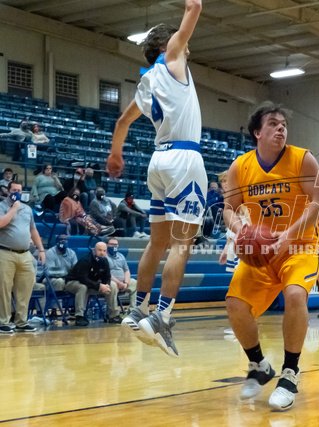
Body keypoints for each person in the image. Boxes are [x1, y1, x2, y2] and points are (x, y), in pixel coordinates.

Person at [108, 0, 206, 358]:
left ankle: (138, 308)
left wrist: (115, 154)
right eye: (181, 40)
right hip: (184, 159)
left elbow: (122, 122)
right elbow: (194, 6)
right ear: (168, 45)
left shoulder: (146, 82)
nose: (187, 45)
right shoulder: (174, 58)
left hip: (158, 160)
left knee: (158, 242)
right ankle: (162, 316)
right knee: (182, 244)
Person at [223, 102, 319, 411]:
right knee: (235, 304)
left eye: (284, 124)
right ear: (257, 132)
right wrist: (241, 231)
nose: (281, 128)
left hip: (301, 245)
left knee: (295, 294)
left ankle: (290, 373)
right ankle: (258, 365)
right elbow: (229, 209)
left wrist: (289, 235)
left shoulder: (303, 159)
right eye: (273, 123)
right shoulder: (240, 166)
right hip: (263, 250)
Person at [0, 181, 45, 334]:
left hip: (25, 253)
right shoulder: (1, 206)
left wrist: (41, 249)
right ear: (8, 191)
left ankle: (21, 321)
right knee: (4, 289)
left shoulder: (27, 209)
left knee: (25, 288)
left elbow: (33, 230)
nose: (17, 193)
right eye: (14, 190)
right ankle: (3, 322)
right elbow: (1, 223)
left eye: (19, 190)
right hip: (5, 252)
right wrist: (13, 209)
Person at [65, 241, 116, 325]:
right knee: (82, 287)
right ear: (94, 250)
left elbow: (107, 276)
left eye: (104, 251)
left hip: (91, 284)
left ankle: (113, 315)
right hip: (73, 282)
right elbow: (83, 279)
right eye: (100, 250)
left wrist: (106, 285)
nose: (102, 253)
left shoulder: (104, 261)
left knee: (112, 285)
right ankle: (79, 316)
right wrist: (99, 286)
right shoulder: (86, 260)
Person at [42, 234, 85, 320]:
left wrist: (70, 275)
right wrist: (66, 274)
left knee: (80, 285)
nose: (63, 241)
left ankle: (77, 312)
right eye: (61, 240)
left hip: (67, 279)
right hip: (50, 279)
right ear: (56, 242)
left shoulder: (71, 253)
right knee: (59, 281)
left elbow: (75, 269)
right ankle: (54, 309)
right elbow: (51, 271)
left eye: (65, 240)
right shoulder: (50, 252)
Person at [105, 237, 137, 313]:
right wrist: (118, 283)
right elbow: (106, 273)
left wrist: (126, 283)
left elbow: (126, 270)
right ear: (107, 245)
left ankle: (133, 311)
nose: (114, 247)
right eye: (111, 244)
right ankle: (113, 314)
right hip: (110, 281)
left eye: (115, 245)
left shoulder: (121, 256)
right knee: (113, 285)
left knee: (134, 282)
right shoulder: (104, 256)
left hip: (122, 282)